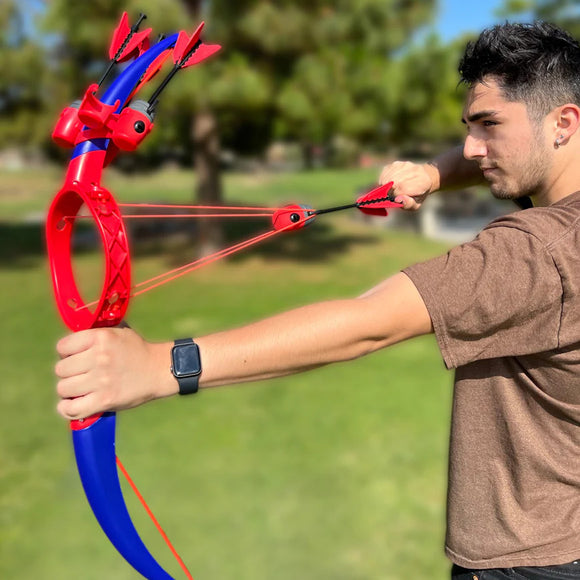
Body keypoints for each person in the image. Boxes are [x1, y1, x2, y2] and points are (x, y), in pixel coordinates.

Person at [54, 21, 580, 579]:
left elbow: (368, 323)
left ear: (564, 123)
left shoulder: (536, 253)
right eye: (468, 127)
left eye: (489, 125)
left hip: (529, 564)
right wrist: (430, 173)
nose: (472, 148)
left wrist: (160, 367)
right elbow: (494, 161)